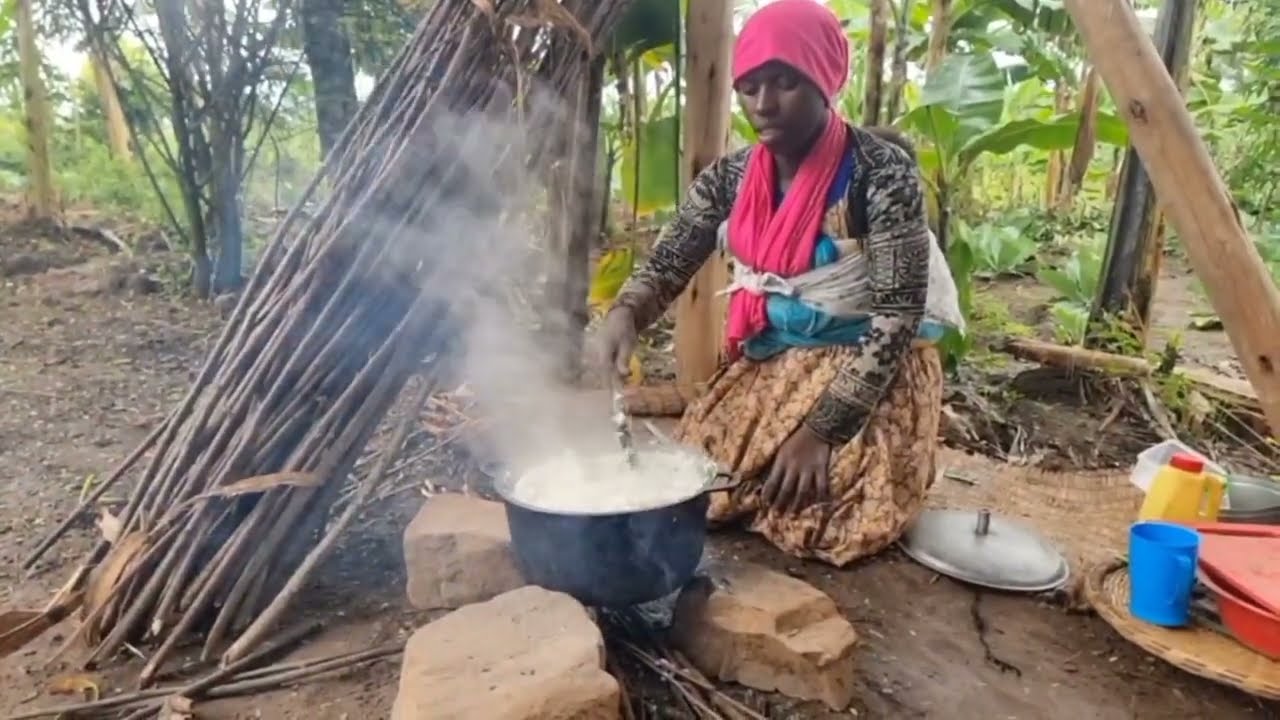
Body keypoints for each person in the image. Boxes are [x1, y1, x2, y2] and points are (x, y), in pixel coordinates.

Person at [596, 0, 962, 567]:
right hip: (775, 354)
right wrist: (626, 312)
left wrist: (822, 430)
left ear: (824, 81)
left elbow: (897, 316)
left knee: (823, 515)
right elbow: (669, 263)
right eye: (749, 87)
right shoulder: (733, 176)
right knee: (706, 481)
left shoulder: (879, 174)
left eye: (784, 82)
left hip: (867, 364)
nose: (762, 104)